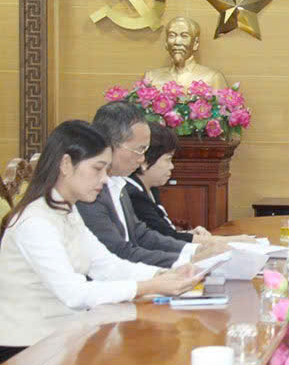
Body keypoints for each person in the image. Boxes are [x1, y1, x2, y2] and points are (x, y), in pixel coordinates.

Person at [0, 121, 204, 363]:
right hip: (28, 351)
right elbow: (74, 293)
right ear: (66, 164)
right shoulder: (35, 221)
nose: (105, 180)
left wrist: (164, 274)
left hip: (62, 339)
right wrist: (148, 286)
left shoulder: (67, 211)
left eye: (106, 170)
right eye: (97, 169)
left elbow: (106, 265)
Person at [77, 101, 225, 267]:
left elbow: (141, 236)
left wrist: (196, 251)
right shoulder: (89, 192)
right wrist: (189, 260)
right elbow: (119, 253)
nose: (142, 159)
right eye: (140, 150)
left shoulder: (119, 184)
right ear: (111, 144)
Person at [125, 121, 250, 245]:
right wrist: (227, 241)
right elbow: (164, 239)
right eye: (168, 159)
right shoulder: (133, 195)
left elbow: (165, 232)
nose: (172, 166)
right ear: (145, 161)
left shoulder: (151, 188)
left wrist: (189, 234)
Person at [143, 16, 228, 90]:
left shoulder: (212, 78)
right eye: (172, 35)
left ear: (195, 43)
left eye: (184, 36)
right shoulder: (151, 77)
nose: (177, 42)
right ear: (166, 43)